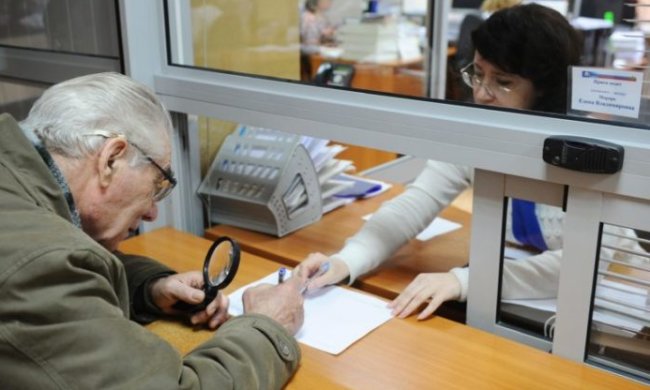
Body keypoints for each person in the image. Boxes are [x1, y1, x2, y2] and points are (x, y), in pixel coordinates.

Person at [296, 4, 647, 320]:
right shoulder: (484, 136)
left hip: (619, 296)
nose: (481, 93)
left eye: (503, 81)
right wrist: (347, 260)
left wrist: (464, 280)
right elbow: (415, 204)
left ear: (545, 89)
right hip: (523, 293)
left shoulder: (582, 152)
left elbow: (592, 258)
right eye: (478, 73)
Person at [0, 72, 307, 388]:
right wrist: (268, 326)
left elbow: (66, 269)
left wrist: (150, 290)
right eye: (157, 184)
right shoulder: (39, 267)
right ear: (111, 159)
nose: (152, 211)